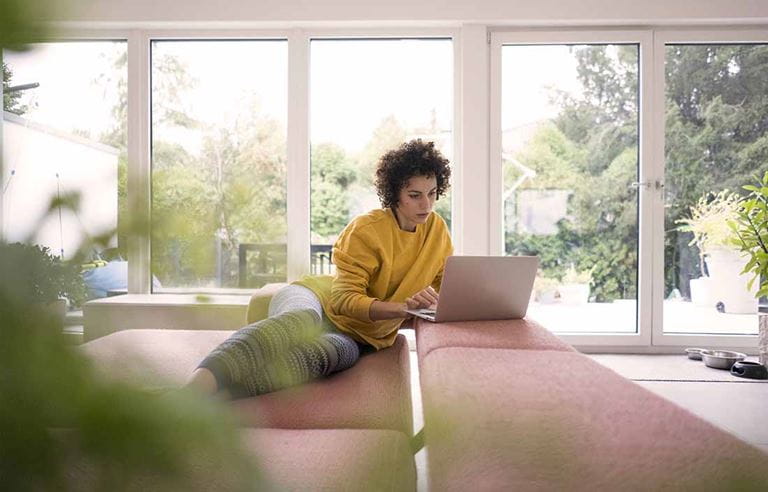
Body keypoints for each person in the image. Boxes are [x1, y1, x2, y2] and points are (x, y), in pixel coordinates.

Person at [186, 139, 453, 398]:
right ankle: (192, 390)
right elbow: (344, 300)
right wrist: (403, 308)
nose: (426, 205)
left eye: (432, 194)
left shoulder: (437, 230)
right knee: (299, 321)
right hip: (317, 300)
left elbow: (447, 288)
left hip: (361, 337)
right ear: (395, 194)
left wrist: (434, 304)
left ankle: (217, 398)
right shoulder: (367, 230)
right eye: (414, 195)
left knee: (328, 355)